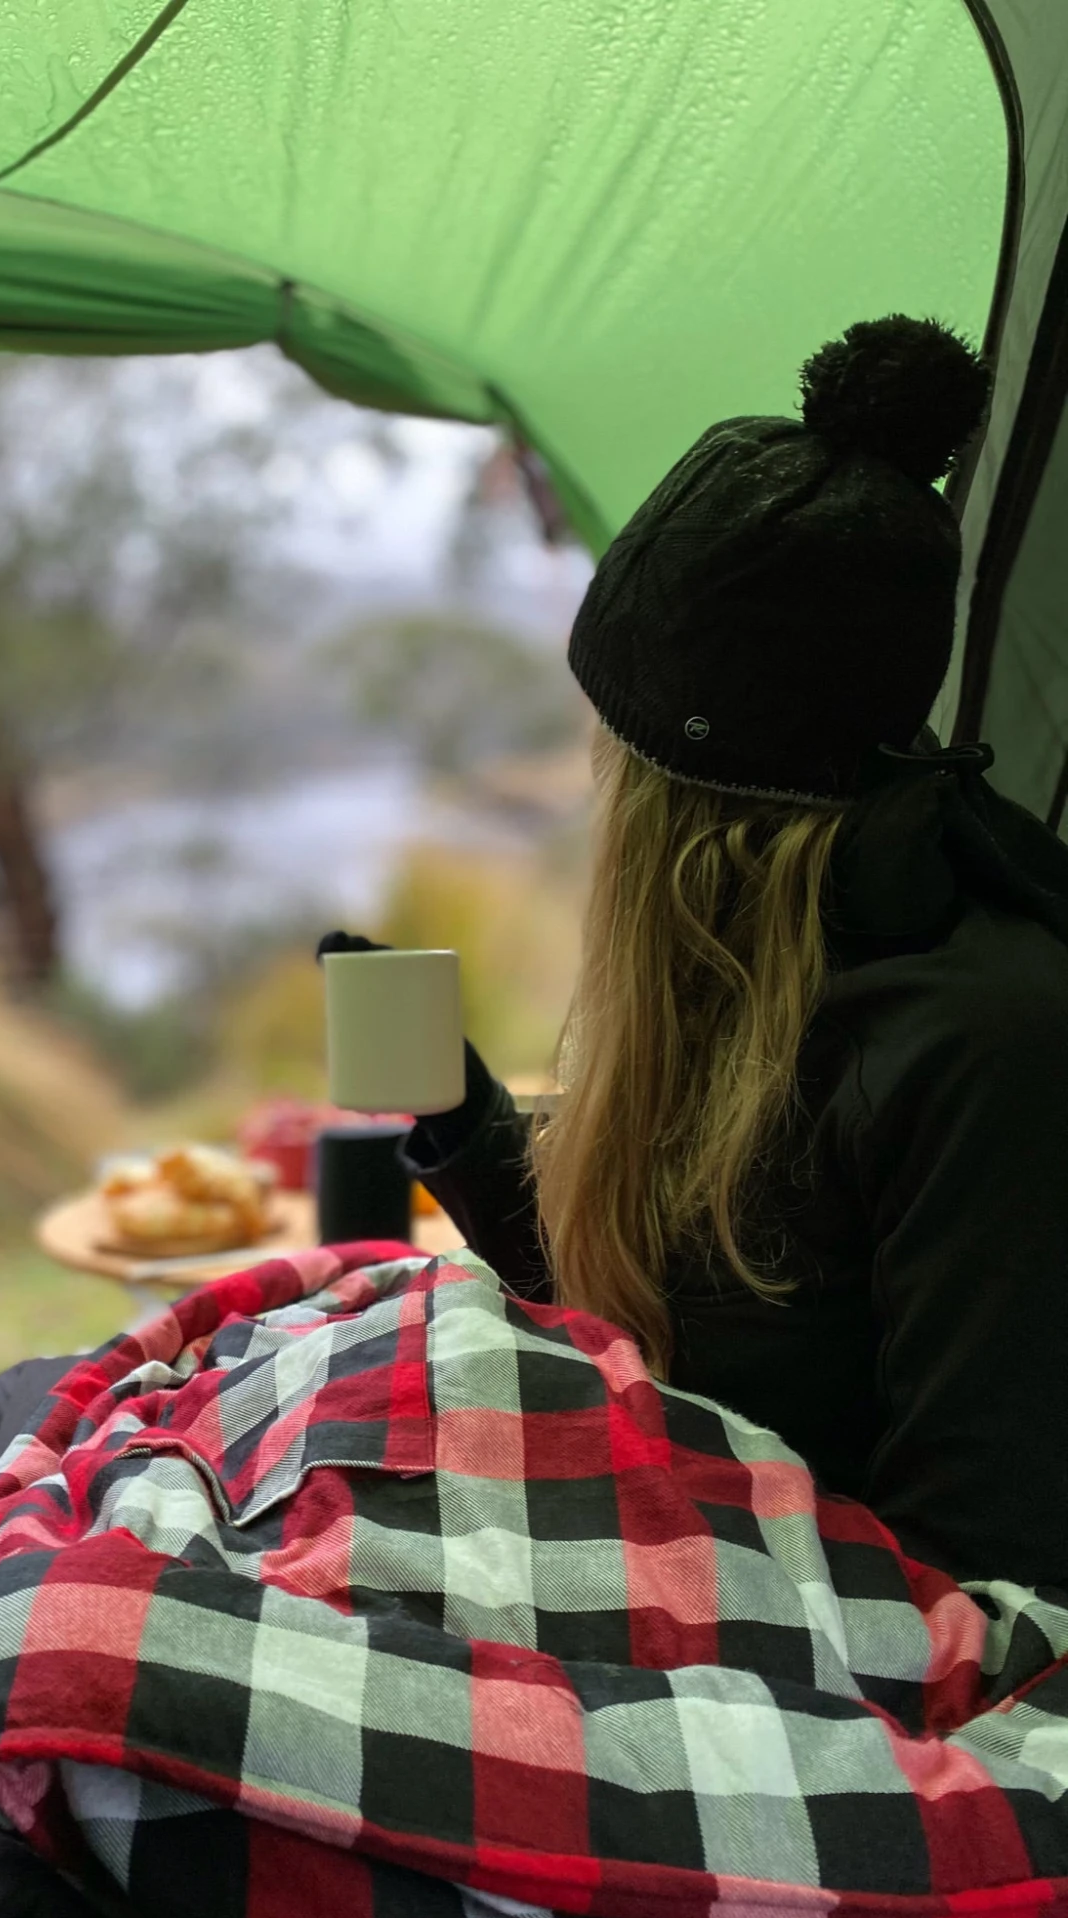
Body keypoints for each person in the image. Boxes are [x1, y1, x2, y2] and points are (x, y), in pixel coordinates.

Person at [325, 314, 1068, 1592]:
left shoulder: (988, 1043)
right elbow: (657, 1314)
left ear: (680, 796)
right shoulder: (763, 961)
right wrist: (463, 1117)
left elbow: (985, 1581)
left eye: (615, 749)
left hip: (832, 1661)